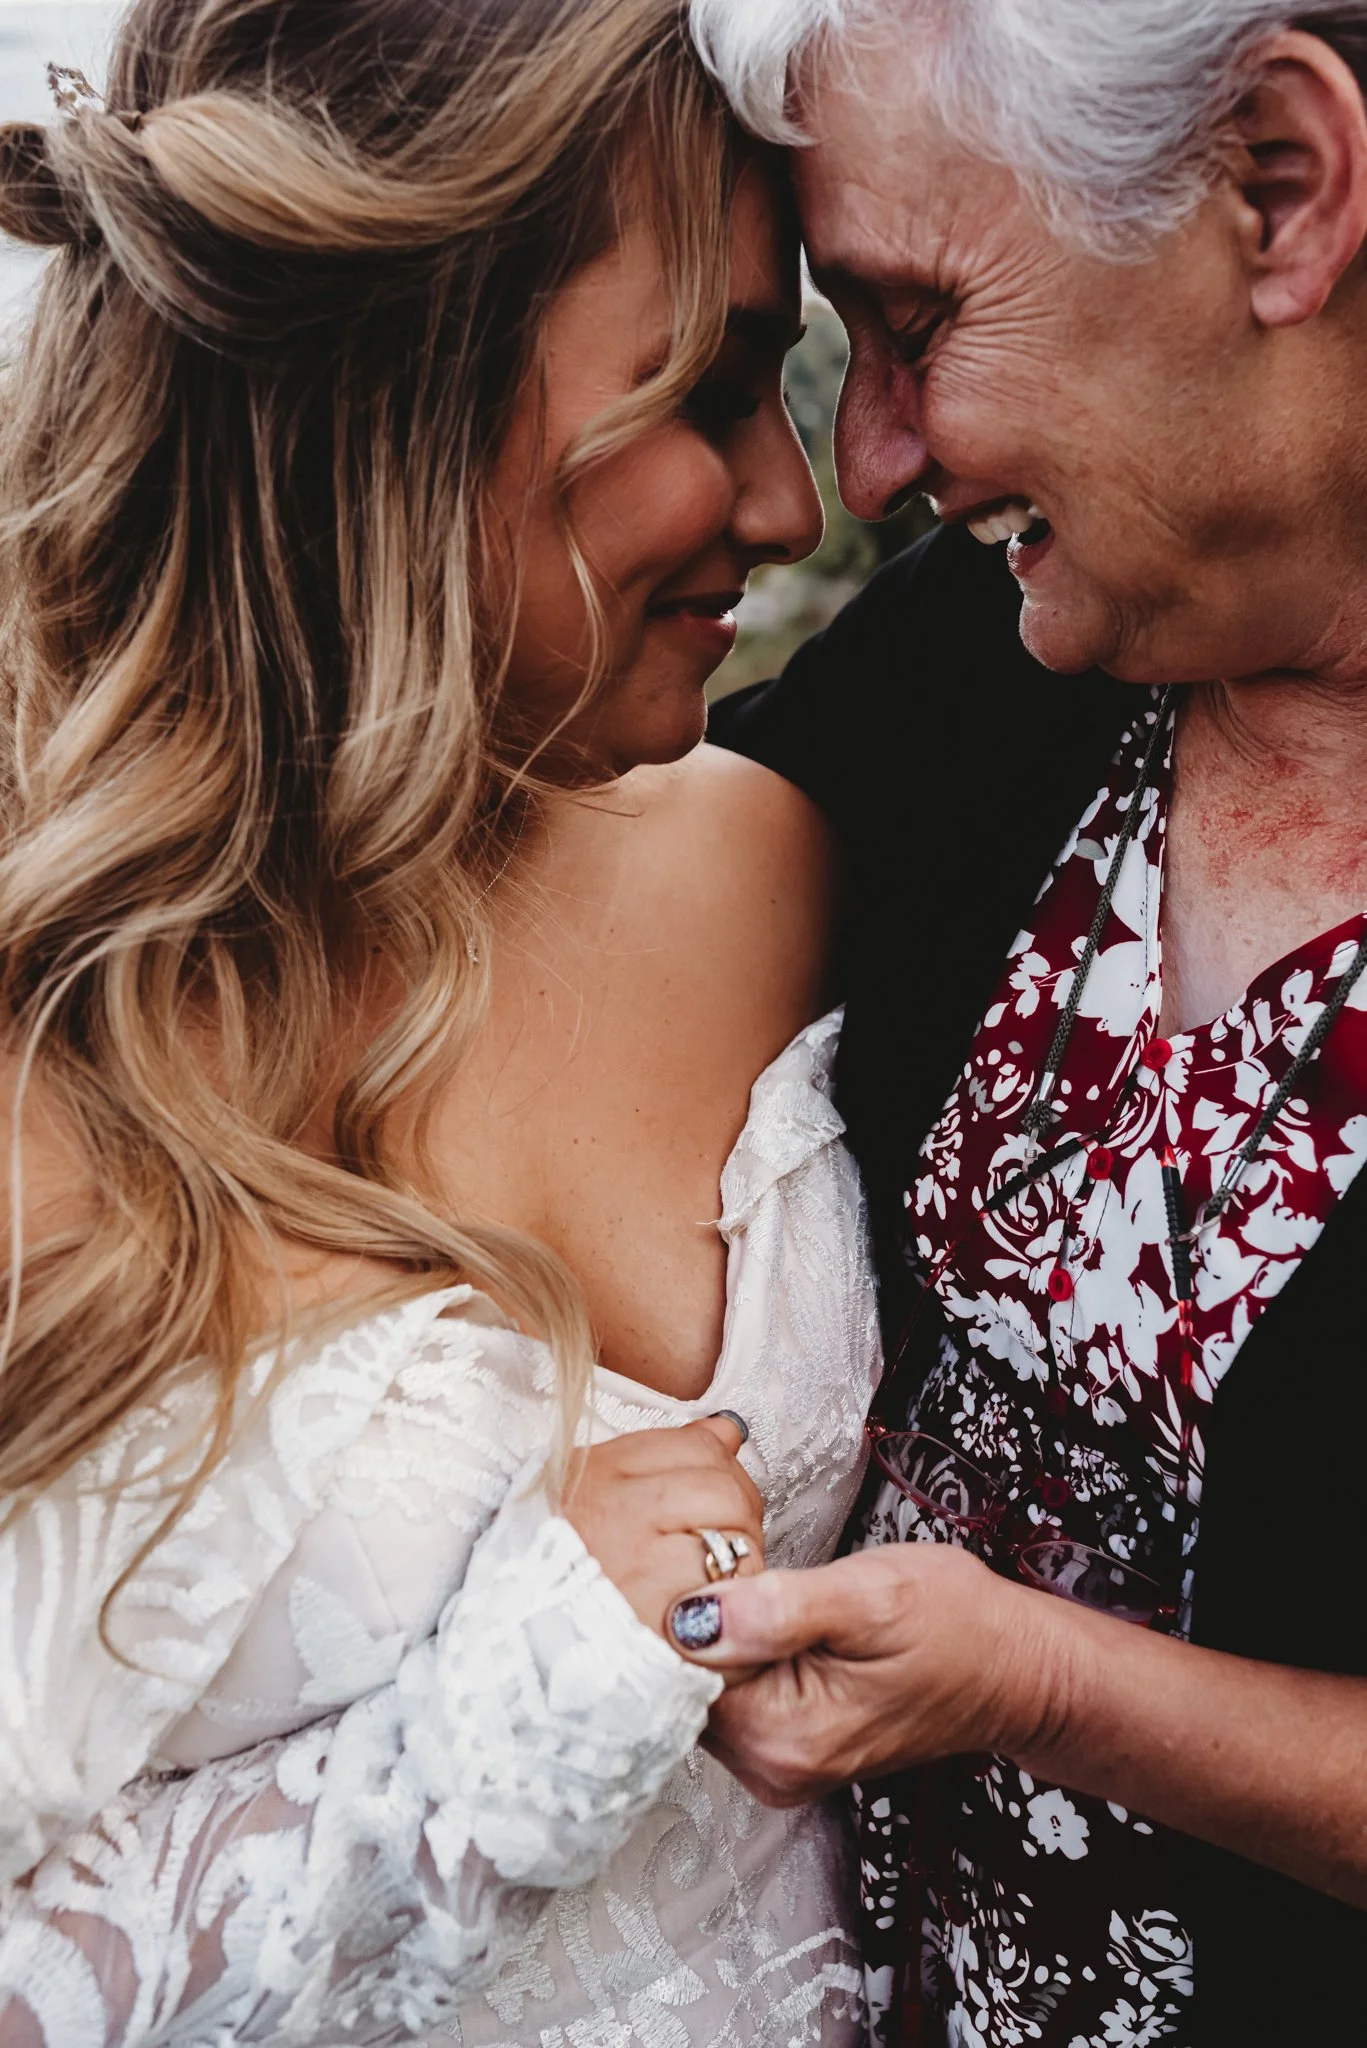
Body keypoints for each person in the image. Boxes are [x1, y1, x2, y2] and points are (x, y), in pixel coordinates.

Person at [0, 3, 881, 2043]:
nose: (791, 495)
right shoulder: (49, 1054)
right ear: (407, 383)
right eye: (720, 383)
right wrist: (477, 1751)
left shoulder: (769, 865)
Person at [685, 2, 1367, 2042]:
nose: (870, 461)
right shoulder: (978, 674)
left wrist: (1041, 1680)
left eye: (911, 320)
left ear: (1276, 184)